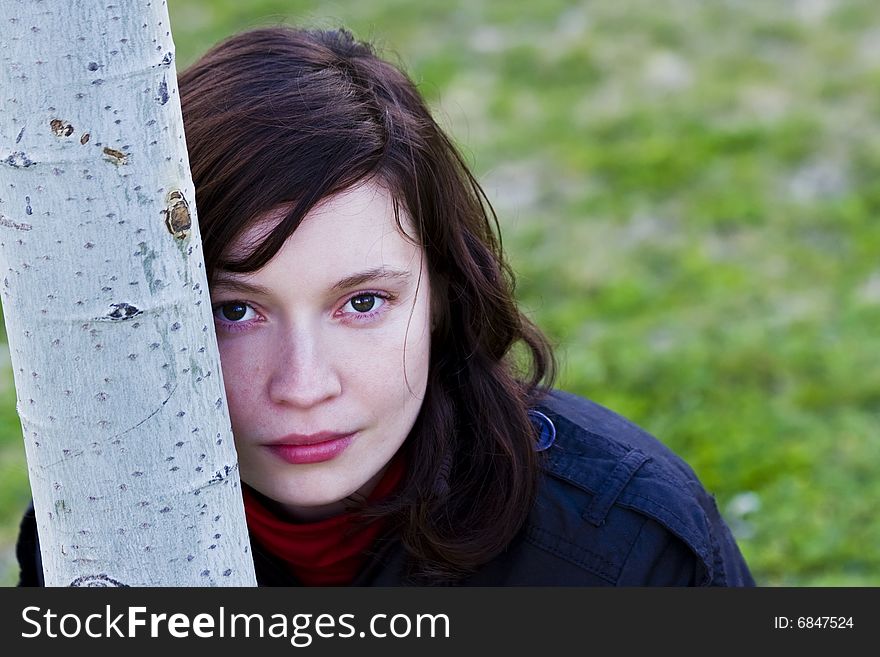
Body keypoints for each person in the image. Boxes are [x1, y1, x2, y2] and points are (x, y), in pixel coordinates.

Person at [17, 26, 754, 586]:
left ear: (441, 294)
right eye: (235, 311)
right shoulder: (95, 537)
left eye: (362, 301)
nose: (303, 385)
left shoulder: (616, 551)